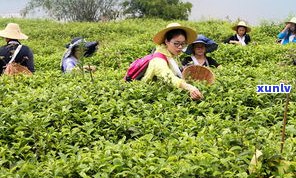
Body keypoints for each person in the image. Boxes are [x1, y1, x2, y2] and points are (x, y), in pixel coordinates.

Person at [141, 22, 203, 100]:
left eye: (183, 44)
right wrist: (189, 87)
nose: (180, 47)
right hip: (150, 97)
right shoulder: (158, 60)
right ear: (167, 41)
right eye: (176, 43)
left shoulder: (173, 56)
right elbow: (169, 78)